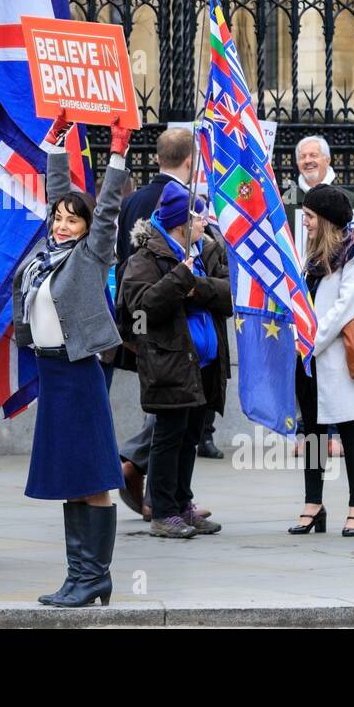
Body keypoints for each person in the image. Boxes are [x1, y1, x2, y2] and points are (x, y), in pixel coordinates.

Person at [15, 114, 130, 608]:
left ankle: (95, 577)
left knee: (90, 477)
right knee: (69, 478)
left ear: (85, 229)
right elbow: (57, 189)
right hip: (52, 374)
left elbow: (105, 210)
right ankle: (77, 576)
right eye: (58, 218)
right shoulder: (48, 250)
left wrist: (119, 150)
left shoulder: (90, 254)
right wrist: (55, 143)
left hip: (79, 374)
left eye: (71, 219)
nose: (62, 224)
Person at [120, 180, 232, 539]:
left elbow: (230, 295)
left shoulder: (209, 251)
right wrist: (180, 277)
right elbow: (141, 309)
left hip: (206, 364)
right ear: (180, 224)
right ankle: (164, 511)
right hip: (170, 363)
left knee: (191, 438)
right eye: (200, 217)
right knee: (168, 438)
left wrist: (194, 287)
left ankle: (183, 503)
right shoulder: (146, 259)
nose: (206, 222)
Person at [288, 185, 354, 538]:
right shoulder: (309, 255)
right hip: (307, 357)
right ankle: (314, 504)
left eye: (310, 216)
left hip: (338, 358)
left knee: (350, 430)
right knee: (311, 431)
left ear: (325, 220)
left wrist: (311, 339)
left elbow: (345, 308)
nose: (306, 222)